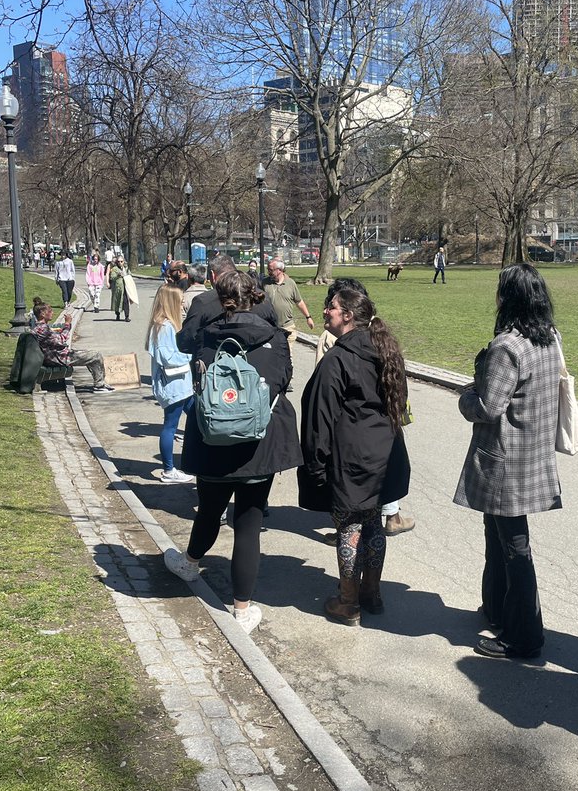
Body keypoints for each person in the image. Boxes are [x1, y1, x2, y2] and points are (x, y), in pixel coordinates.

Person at [165, 271, 301, 633]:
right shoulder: (273, 338)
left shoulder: (205, 339)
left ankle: (190, 564)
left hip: (212, 441)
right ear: (256, 297)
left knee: (209, 510)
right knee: (248, 525)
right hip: (257, 444)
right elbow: (284, 379)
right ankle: (242, 610)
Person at [453, 263, 562, 660]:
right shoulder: (549, 337)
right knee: (499, 539)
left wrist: (466, 394)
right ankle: (498, 609)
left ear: (509, 298)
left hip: (505, 462)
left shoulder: (507, 347)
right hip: (533, 455)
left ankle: (524, 635)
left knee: (515, 548)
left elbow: (487, 406)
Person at [299, 287, 410, 624]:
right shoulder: (385, 349)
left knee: (349, 526)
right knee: (373, 522)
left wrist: (316, 467)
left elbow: (318, 420)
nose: (324, 312)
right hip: (385, 453)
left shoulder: (338, 360)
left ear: (347, 315)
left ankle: (349, 602)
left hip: (351, 460)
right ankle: (371, 592)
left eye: (330, 307)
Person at [177, 255, 277, 363]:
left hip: (216, 367)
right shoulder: (261, 297)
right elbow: (274, 330)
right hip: (261, 362)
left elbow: (185, 341)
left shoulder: (203, 301)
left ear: (213, 275)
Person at [145, 285, 196, 484]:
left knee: (196, 417)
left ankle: (193, 459)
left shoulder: (166, 324)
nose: (183, 304)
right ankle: (168, 470)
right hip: (173, 384)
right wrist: (190, 355)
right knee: (171, 425)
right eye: (180, 300)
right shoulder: (164, 326)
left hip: (182, 384)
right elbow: (168, 357)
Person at [30, 303, 114, 392]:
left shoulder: (40, 327)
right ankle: (100, 385)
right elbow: (61, 340)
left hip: (57, 355)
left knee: (90, 355)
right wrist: (67, 324)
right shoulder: (42, 329)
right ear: (42, 314)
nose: (53, 313)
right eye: (50, 311)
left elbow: (54, 340)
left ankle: (100, 383)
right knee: (95, 355)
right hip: (59, 358)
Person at [263, 258, 314, 353]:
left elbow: (299, 302)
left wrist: (308, 317)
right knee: (271, 355)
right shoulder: (265, 283)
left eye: (271, 270)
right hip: (269, 326)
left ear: (279, 270)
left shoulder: (290, 283)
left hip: (287, 327)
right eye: (268, 269)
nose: (268, 272)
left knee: (286, 356)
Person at [108, 254, 131, 322]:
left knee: (126, 302)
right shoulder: (114, 269)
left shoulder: (126, 268)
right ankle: (117, 315)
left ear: (123, 261)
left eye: (121, 261)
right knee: (117, 302)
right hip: (118, 288)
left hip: (125, 288)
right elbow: (112, 277)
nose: (120, 263)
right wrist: (118, 275)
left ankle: (127, 316)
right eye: (118, 261)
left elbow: (129, 274)